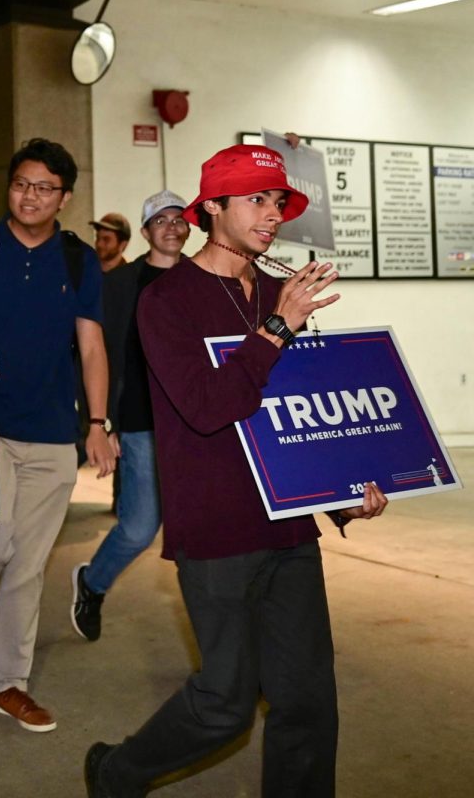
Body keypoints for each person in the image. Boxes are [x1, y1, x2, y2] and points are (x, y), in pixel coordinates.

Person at [84, 145, 388, 798]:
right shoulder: (167, 302)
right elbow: (204, 407)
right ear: (211, 209)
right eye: (254, 198)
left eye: (277, 200)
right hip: (216, 528)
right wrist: (278, 328)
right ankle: (116, 773)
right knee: (224, 702)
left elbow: (297, 413)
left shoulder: (279, 293)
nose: (272, 213)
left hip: (287, 525)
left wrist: (338, 497)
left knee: (308, 702)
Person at [0, 138, 115, 732]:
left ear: (64, 196)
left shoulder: (77, 258)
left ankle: (9, 682)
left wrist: (96, 423)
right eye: (20, 184)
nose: (29, 195)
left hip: (51, 434)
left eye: (43, 187)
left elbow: (91, 344)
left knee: (29, 564)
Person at [70, 190, 190, 642]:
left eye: (179, 219)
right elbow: (103, 354)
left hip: (197, 425)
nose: (171, 226)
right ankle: (93, 583)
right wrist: (103, 422)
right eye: (161, 220)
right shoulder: (121, 285)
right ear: (145, 232)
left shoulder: (202, 278)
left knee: (197, 530)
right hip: (141, 423)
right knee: (140, 528)